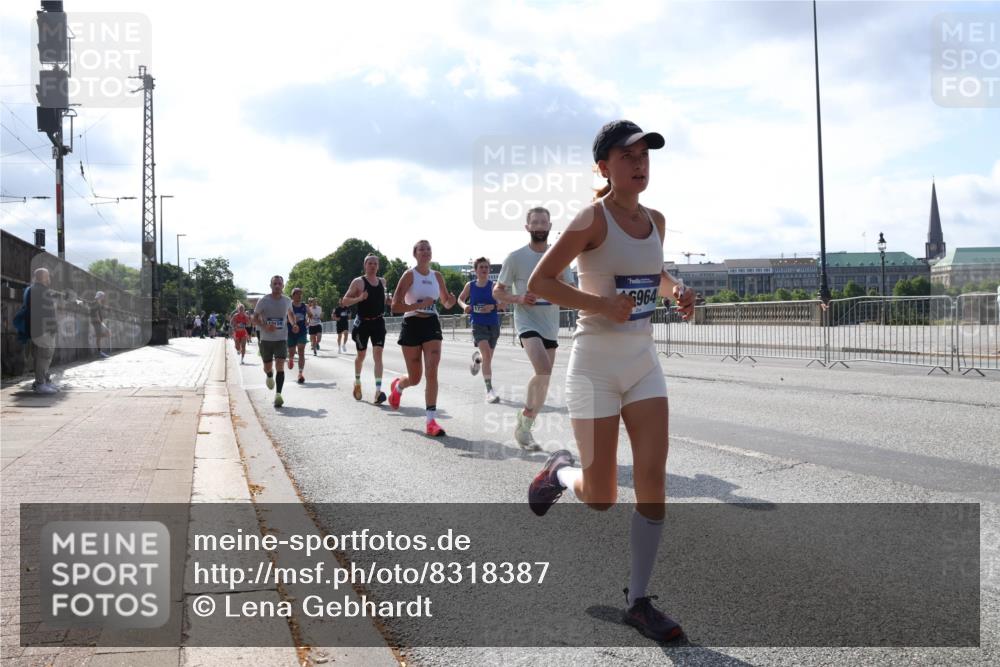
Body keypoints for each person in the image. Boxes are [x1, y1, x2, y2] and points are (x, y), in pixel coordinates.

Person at [525, 120, 696, 643]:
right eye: (628, 156)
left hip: (643, 363)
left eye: (645, 155)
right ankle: (558, 474)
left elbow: (655, 273)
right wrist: (601, 305)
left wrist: (676, 290)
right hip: (595, 365)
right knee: (601, 496)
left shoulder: (656, 220)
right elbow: (541, 283)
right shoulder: (590, 220)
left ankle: (639, 600)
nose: (640, 163)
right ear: (604, 167)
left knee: (653, 477)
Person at [494, 207, 575, 450]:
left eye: (544, 223)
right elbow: (497, 291)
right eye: (535, 223)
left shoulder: (558, 257)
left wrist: (561, 287)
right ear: (527, 227)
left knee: (545, 378)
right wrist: (519, 299)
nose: (540, 227)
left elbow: (570, 289)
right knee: (542, 369)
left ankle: (525, 423)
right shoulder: (515, 257)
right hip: (527, 321)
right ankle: (526, 419)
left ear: (549, 227)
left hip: (550, 323)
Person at [389, 240, 457, 436]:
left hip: (431, 325)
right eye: (422, 249)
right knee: (415, 378)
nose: (426, 251)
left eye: (428, 248)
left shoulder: (437, 276)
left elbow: (445, 302)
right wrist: (418, 305)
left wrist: (450, 301)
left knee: (432, 370)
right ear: (415, 254)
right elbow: (395, 306)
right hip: (411, 324)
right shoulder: (409, 275)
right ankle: (399, 386)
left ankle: (430, 421)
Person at [342, 254, 390, 403]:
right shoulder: (358, 282)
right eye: (370, 263)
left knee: (378, 356)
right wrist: (359, 298)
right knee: (361, 356)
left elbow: (386, 300)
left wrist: (389, 301)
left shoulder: (382, 281)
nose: (373, 266)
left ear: (378, 266)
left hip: (378, 322)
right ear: (365, 265)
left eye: (375, 263)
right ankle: (357, 382)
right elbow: (344, 301)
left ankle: (377, 392)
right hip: (362, 323)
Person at [458, 257, 501, 403]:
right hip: (478, 324)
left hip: (493, 325)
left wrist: (493, 306)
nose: (484, 270)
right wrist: (465, 306)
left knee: (487, 357)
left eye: (486, 267)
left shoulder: (494, 286)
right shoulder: (470, 286)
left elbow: (503, 304)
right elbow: (460, 298)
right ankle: (489, 390)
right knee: (487, 357)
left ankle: (477, 361)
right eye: (481, 267)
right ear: (476, 270)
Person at [252, 275, 297, 407]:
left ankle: (278, 394)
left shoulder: (287, 300)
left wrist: (293, 324)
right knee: (268, 367)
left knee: (280, 365)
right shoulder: (263, 301)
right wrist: (265, 326)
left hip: (281, 338)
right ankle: (269, 375)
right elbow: (254, 318)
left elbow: (291, 314)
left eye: (279, 284)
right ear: (271, 286)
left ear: (283, 286)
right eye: (275, 284)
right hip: (266, 339)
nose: (277, 286)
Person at [20, 268, 59, 394]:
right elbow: (43, 312)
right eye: (47, 276)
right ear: (42, 277)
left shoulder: (34, 290)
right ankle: (40, 384)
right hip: (43, 330)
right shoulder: (38, 290)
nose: (49, 279)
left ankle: (43, 381)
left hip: (41, 329)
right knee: (43, 356)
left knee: (42, 356)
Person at [286, 287, 309, 384]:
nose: (299, 296)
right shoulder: (288, 305)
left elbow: (310, 315)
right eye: (297, 294)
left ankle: (300, 373)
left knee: (301, 352)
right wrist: (293, 322)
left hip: (302, 332)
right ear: (293, 295)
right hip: (290, 332)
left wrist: (308, 320)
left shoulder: (304, 306)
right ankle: (290, 359)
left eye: (300, 294)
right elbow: (285, 318)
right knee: (291, 352)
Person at [90, 291, 110, 358]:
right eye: (102, 296)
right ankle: (100, 352)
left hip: (98, 321)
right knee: (106, 333)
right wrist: (100, 322)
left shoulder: (98, 303)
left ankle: (95, 335)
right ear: (100, 296)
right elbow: (95, 313)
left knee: (106, 334)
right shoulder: (95, 303)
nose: (103, 297)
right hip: (97, 321)